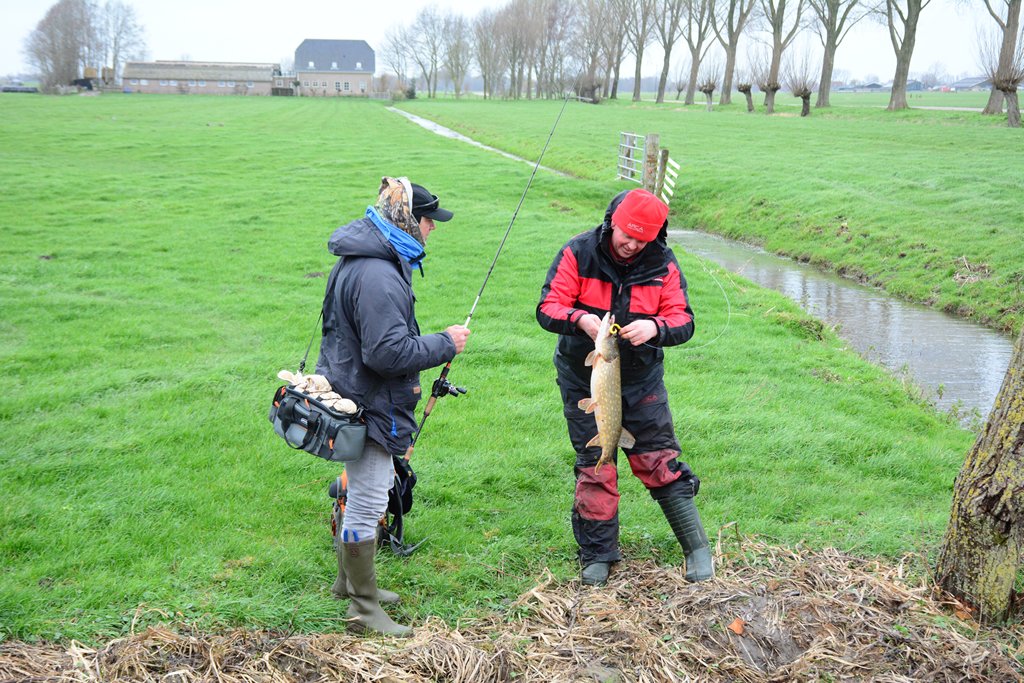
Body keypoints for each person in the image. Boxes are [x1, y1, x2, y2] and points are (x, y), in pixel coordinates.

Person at [315, 176, 470, 636]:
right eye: (428, 220)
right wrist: (445, 343)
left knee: (371, 491)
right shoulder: (379, 273)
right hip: (369, 402)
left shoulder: (366, 255)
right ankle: (364, 610)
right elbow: (386, 354)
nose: (433, 229)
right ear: (406, 219)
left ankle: (348, 585)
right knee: (368, 500)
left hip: (352, 391)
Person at [536, 188, 713, 587]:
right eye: (626, 235)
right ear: (612, 222)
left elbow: (683, 320)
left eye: (641, 240)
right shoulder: (578, 252)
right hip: (584, 379)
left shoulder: (663, 264)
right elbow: (547, 308)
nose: (631, 245)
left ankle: (696, 547)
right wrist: (580, 319)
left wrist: (656, 326)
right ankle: (598, 555)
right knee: (595, 465)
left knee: (659, 459)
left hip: (642, 379)